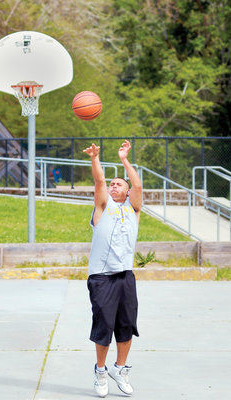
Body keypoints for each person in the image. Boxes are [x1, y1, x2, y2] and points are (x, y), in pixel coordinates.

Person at [83, 140, 142, 398]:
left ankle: (121, 369)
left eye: (120, 183)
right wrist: (95, 159)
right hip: (101, 277)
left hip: (125, 276)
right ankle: (100, 371)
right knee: (104, 325)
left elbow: (138, 185)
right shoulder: (102, 208)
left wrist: (124, 159)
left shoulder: (133, 209)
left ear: (127, 192)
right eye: (112, 183)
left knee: (127, 325)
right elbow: (98, 182)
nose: (114, 185)